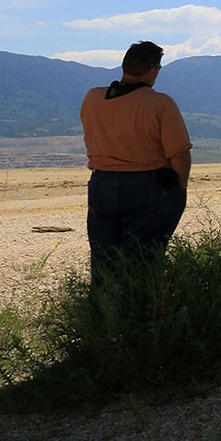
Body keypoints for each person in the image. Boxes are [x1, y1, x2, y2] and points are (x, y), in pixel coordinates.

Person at [79, 40, 191, 285]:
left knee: (103, 258)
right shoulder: (160, 103)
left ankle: (102, 312)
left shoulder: (92, 98)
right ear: (153, 70)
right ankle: (137, 312)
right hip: (147, 187)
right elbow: (180, 154)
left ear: (124, 66)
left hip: (101, 184)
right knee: (141, 260)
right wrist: (179, 190)